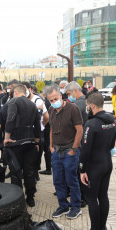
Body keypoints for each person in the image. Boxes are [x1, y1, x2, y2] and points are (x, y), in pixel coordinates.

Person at [80, 92, 116, 230]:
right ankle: (102, 228)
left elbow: (85, 149)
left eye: (88, 105)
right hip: (107, 162)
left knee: (91, 197)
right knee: (103, 195)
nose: (87, 107)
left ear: (92, 105)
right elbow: (112, 144)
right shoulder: (112, 120)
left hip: (95, 166)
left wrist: (82, 169)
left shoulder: (91, 124)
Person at [45, 84, 84, 220]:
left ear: (61, 95)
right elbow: (51, 129)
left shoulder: (73, 108)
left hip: (69, 150)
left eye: (56, 98)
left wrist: (73, 150)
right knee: (57, 180)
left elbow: (80, 130)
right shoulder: (51, 110)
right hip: (56, 150)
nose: (54, 102)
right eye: (51, 100)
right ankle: (63, 205)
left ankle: (76, 206)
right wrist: (50, 146)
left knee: (71, 179)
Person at [4, 84, 41, 206]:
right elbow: (37, 124)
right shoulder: (32, 104)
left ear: (15, 92)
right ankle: (30, 198)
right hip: (30, 140)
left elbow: (10, 118)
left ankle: (17, 200)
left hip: (16, 141)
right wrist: (36, 141)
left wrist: (7, 137)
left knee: (15, 172)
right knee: (29, 171)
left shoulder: (13, 102)